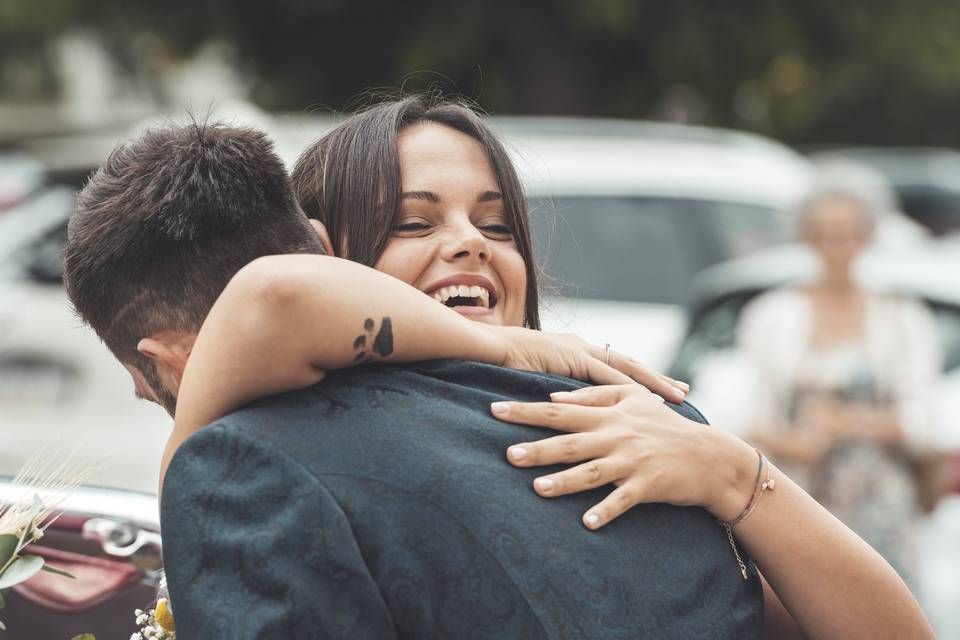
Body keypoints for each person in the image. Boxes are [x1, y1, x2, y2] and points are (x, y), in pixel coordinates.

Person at [64, 121, 764, 639]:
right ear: (324, 243)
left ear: (168, 358)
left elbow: (272, 297)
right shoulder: (631, 417)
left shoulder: (232, 470)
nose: (469, 244)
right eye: (413, 222)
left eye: (496, 222)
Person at [738, 169, 943, 591]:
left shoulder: (901, 317)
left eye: (849, 233)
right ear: (807, 237)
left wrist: (849, 423)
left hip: (885, 509)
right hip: (802, 502)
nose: (838, 246)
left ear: (867, 236)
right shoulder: (773, 316)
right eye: (825, 234)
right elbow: (751, 421)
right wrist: (800, 442)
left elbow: (924, 421)